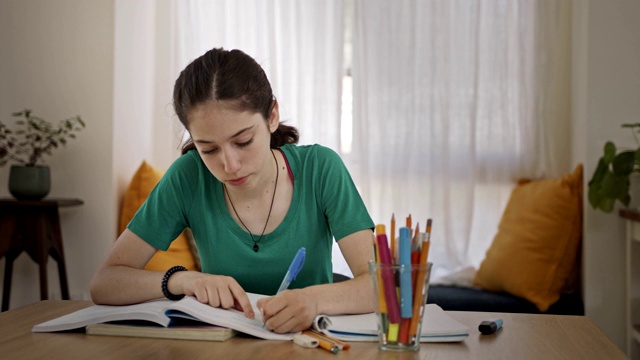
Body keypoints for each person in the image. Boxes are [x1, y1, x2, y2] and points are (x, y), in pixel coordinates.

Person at [89, 47, 375, 334]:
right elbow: (105, 283)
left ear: (272, 116)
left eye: (244, 141)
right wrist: (184, 280)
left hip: (308, 346)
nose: (230, 165)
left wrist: (313, 301)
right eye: (208, 149)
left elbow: (379, 285)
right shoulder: (189, 176)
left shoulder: (321, 169)